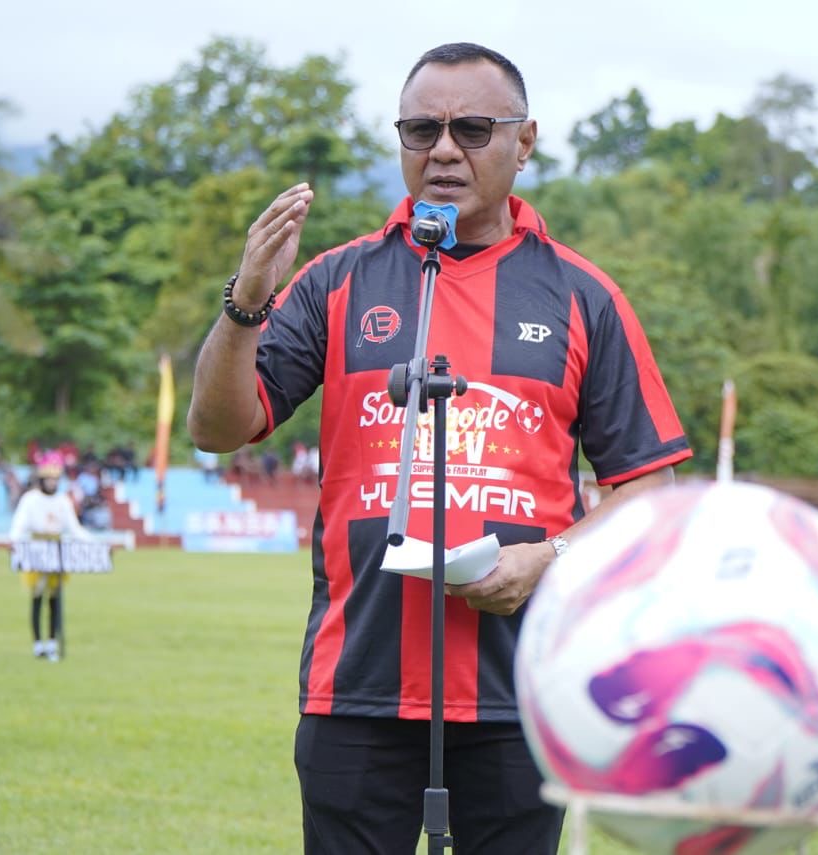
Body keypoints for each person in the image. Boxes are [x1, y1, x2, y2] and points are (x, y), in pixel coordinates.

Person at [188, 42, 693, 854]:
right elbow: (216, 429)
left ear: (525, 142)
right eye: (422, 130)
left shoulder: (583, 296)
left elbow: (649, 490)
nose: (445, 150)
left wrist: (549, 557)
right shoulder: (337, 281)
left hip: (519, 691)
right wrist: (246, 301)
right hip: (358, 689)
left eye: (473, 129)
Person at [9, 456, 92, 662]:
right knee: (37, 596)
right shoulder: (30, 499)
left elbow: (75, 529)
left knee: (55, 599)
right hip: (37, 551)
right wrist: (14, 542)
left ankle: (53, 642)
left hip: (57, 551)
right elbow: (19, 525)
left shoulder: (63, 500)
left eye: (55, 479)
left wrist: (96, 544)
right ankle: (38, 644)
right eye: (49, 479)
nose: (52, 483)